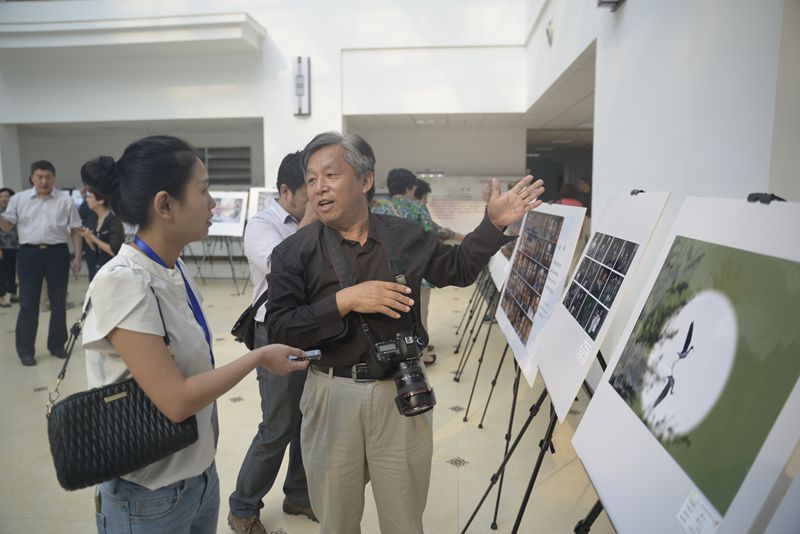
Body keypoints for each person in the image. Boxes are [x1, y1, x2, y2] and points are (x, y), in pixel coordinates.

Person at [265, 131, 544, 534]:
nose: (318, 188)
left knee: (404, 520)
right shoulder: (294, 252)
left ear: (364, 181)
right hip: (331, 396)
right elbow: (280, 326)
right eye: (311, 179)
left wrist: (493, 223)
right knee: (336, 522)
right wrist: (346, 301)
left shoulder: (404, 235)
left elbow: (457, 269)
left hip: (400, 393)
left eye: (330, 175)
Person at [78, 136, 310, 534]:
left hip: (199, 475)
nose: (213, 203)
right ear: (165, 204)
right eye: (203, 190)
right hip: (149, 493)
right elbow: (176, 401)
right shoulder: (124, 282)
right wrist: (257, 356)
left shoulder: (174, 269)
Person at [228, 151, 317, 534]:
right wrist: (313, 220)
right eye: (310, 189)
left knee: (308, 420)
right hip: (275, 331)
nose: (318, 195)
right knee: (278, 425)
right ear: (286, 191)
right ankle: (242, 506)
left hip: (313, 328)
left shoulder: (316, 219)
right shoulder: (261, 225)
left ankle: (298, 494)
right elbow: (285, 267)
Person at [0, 160, 83, 366]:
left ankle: (57, 345)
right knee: (28, 304)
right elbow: (8, 225)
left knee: (58, 302)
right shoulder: (19, 199)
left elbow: (75, 229)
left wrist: (78, 257)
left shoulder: (65, 200)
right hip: (29, 254)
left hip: (57, 253)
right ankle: (25, 351)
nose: (44, 181)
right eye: (39, 177)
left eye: (48, 177)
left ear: (53, 178)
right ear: (32, 178)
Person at [77, 164, 125, 279]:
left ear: (100, 200)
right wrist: (88, 237)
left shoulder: (113, 220)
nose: (87, 200)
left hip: (112, 270)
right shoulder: (95, 218)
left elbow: (114, 250)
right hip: (98, 267)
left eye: (90, 197)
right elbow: (95, 249)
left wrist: (93, 238)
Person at [0, 187, 19, 307]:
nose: (4, 199)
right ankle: (1, 296)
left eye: (7, 196)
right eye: (1, 196)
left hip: (16, 246)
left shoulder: (14, 211)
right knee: (2, 273)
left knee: (14, 272)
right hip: (3, 247)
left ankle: (13, 293)